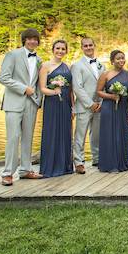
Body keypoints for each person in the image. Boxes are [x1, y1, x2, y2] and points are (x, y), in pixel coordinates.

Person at [0, 28, 44, 186]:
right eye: (29, 39)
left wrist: (38, 100)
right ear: (24, 40)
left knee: (28, 138)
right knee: (13, 137)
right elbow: (3, 78)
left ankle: (25, 170)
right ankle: (7, 173)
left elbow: (39, 82)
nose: (32, 41)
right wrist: (23, 88)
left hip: (31, 103)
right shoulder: (13, 55)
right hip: (14, 102)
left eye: (35, 39)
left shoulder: (39, 59)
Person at [39, 40, 74, 178]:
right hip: (52, 104)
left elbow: (71, 90)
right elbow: (42, 88)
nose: (60, 51)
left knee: (65, 132)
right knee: (51, 132)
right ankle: (50, 167)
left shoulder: (68, 67)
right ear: (53, 49)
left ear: (66, 51)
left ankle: (65, 166)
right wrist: (55, 92)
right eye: (57, 48)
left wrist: (73, 107)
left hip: (65, 104)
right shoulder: (45, 66)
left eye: (63, 49)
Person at [96, 50, 128, 173]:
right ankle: (109, 164)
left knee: (122, 134)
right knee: (109, 134)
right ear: (112, 61)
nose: (121, 60)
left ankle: (123, 163)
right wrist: (111, 96)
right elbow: (99, 91)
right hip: (109, 107)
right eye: (118, 58)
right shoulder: (105, 75)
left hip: (123, 108)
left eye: (123, 58)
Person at [71, 37, 105, 174]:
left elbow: (105, 85)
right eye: (85, 46)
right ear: (82, 48)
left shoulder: (101, 65)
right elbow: (77, 88)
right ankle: (78, 161)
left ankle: (96, 158)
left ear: (94, 45)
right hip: (84, 106)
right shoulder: (77, 66)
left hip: (99, 105)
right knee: (80, 135)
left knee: (96, 134)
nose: (89, 47)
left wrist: (101, 102)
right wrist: (90, 104)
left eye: (91, 45)